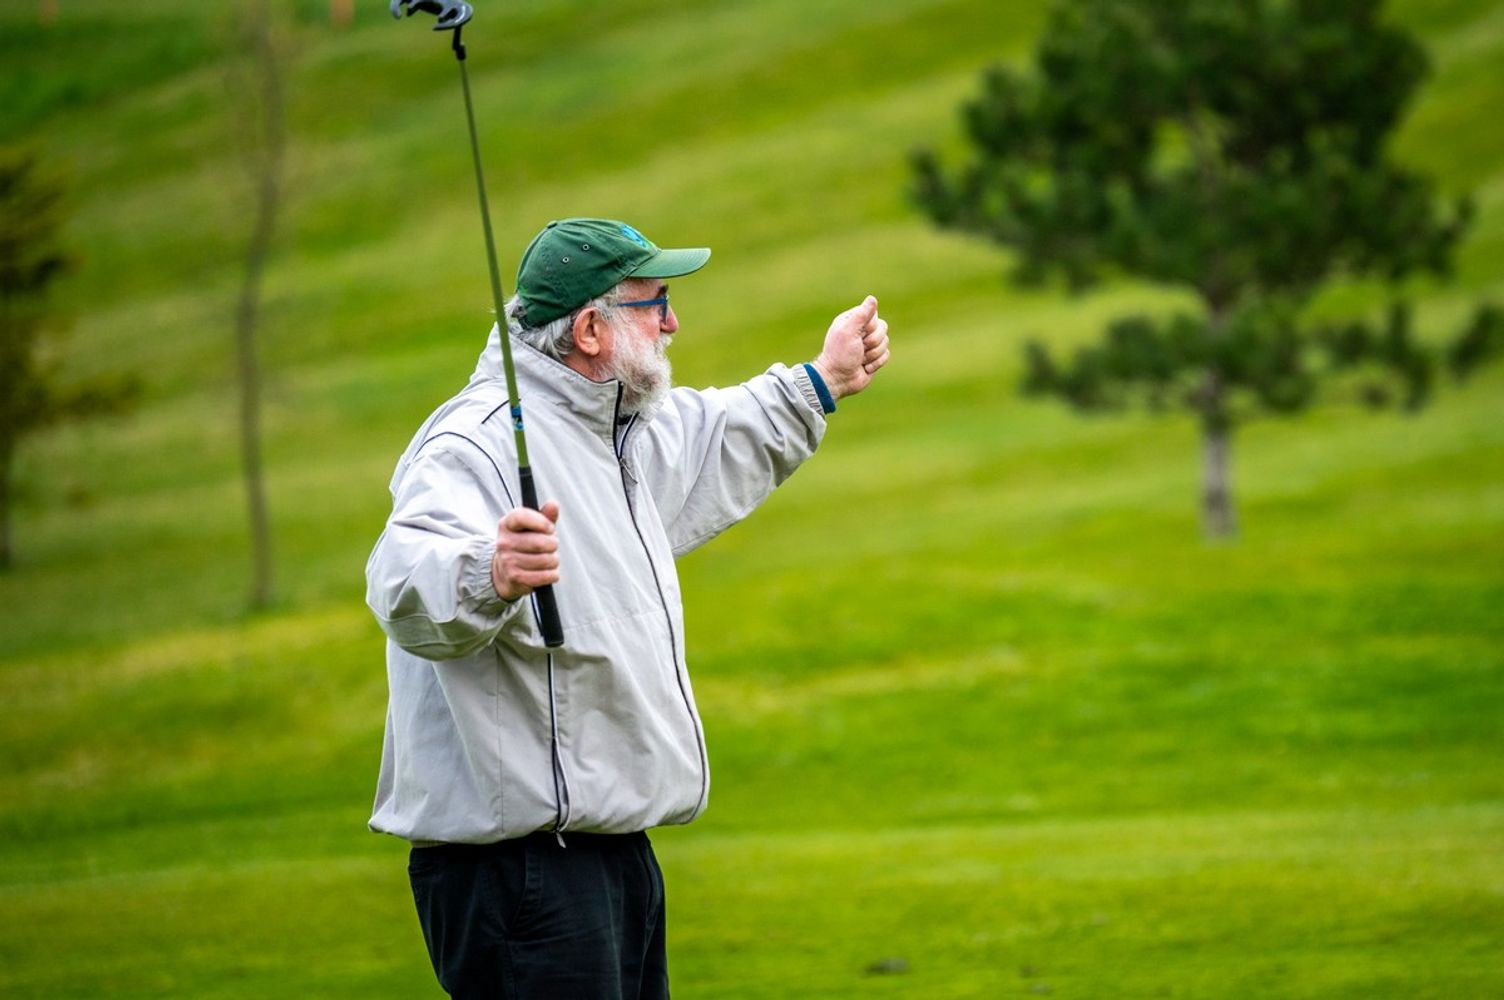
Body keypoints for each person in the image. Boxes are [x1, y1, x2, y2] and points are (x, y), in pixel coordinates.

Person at [365, 217, 890, 999]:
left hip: (609, 852)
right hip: (520, 872)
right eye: (656, 303)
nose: (672, 323)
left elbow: (716, 435)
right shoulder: (473, 442)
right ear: (589, 330)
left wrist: (823, 379)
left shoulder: (616, 433)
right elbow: (401, 576)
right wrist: (489, 571)